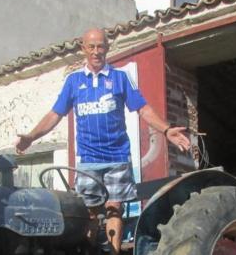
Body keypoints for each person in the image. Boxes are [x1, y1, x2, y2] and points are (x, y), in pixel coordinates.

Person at [15, 28, 191, 254]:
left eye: (100, 46)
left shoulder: (120, 78)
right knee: (88, 212)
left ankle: (115, 252)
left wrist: (166, 130)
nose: (96, 52)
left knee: (114, 208)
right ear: (83, 49)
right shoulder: (73, 81)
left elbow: (143, 109)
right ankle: (87, 250)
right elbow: (54, 114)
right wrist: (31, 136)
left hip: (117, 157)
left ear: (107, 48)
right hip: (88, 160)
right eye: (91, 47)